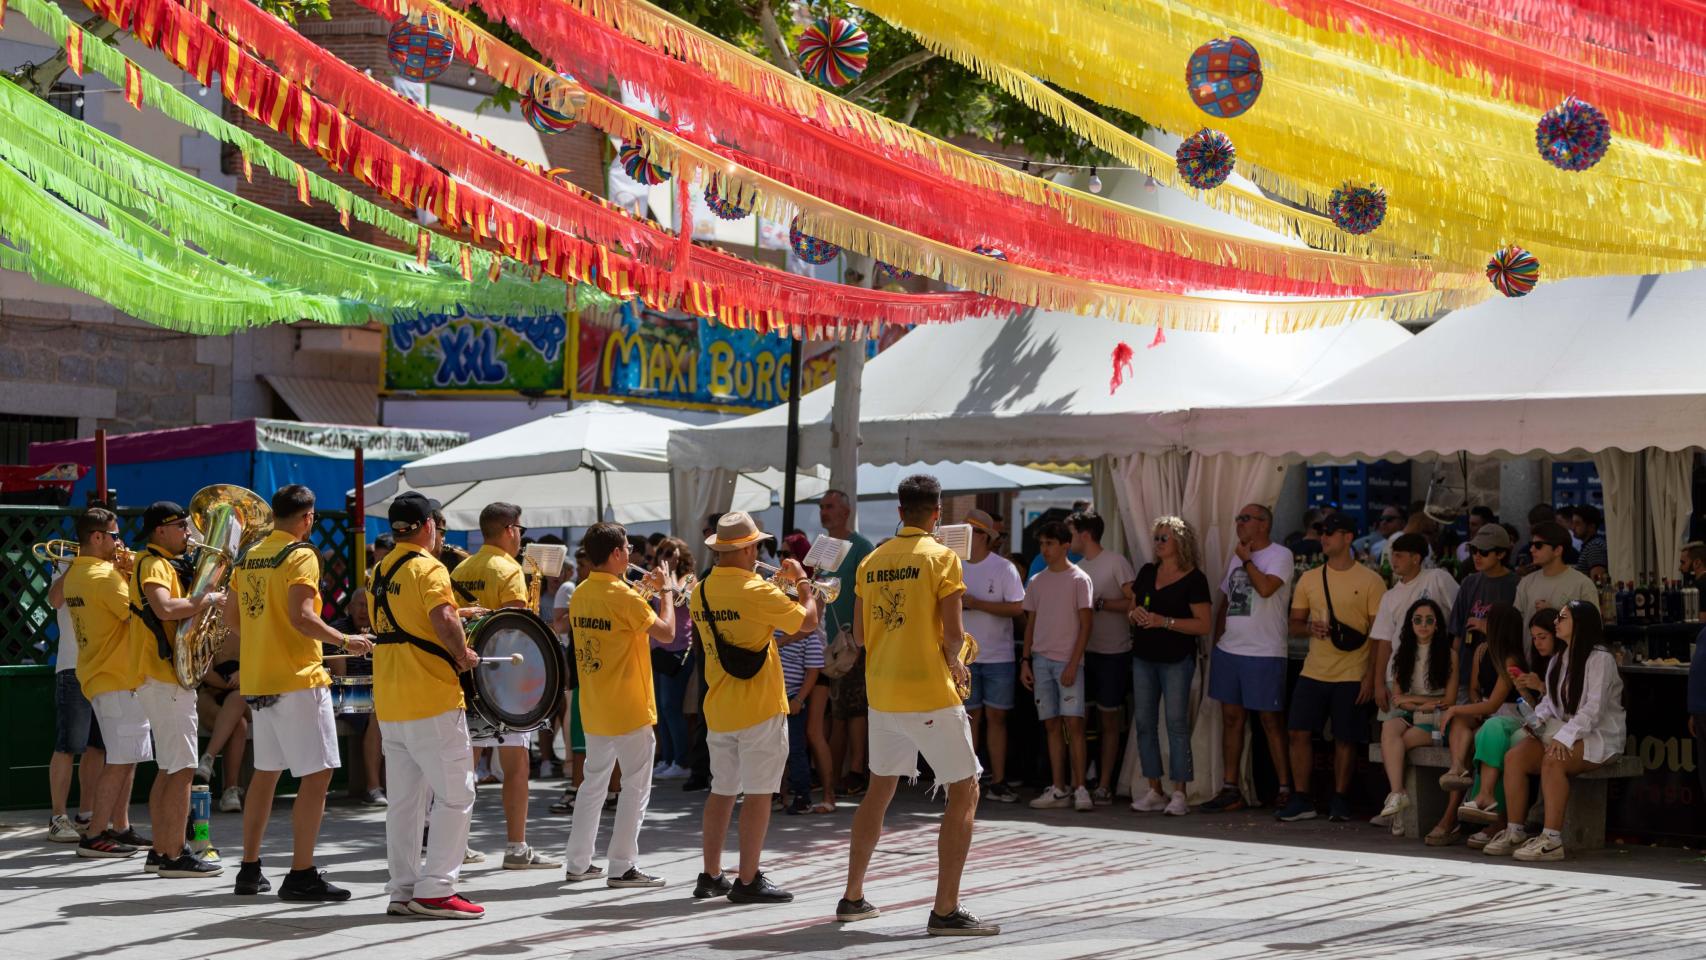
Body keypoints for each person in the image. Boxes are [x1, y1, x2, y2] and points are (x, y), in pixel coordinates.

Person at [839, 473, 997, 937]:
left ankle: (853, 896)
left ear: (899, 511)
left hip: (882, 693)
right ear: (937, 514)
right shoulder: (942, 557)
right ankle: (945, 909)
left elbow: (863, 636)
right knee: (965, 789)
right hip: (928, 691)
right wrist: (961, 656)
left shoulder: (871, 560)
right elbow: (952, 635)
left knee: (878, 789)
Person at [225, 485, 369, 898]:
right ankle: (301, 872)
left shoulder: (249, 556)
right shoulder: (301, 554)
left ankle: (249, 869)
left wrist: (265, 638)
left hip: (259, 679)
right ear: (307, 518)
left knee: (265, 774)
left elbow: (233, 618)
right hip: (298, 677)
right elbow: (303, 618)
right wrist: (345, 641)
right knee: (318, 775)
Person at [368, 491, 485, 920]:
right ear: (428, 526)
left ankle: (402, 889)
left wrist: (459, 613)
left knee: (404, 802)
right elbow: (440, 618)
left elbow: (407, 618)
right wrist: (462, 653)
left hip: (392, 700)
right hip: (431, 695)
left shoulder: (379, 570)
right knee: (456, 795)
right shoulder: (428, 567)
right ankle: (437, 888)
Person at [689, 512, 817, 904]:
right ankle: (747, 878)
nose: (759, 552)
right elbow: (806, 623)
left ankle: (711, 874)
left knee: (722, 791)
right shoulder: (757, 590)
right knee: (760, 794)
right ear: (746, 549)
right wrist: (802, 584)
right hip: (760, 706)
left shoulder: (701, 590)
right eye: (756, 546)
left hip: (720, 704)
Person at [562, 522, 678, 888]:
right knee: (635, 788)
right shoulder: (624, 596)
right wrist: (668, 593)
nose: (632, 555)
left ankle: (578, 862)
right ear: (615, 554)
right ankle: (622, 865)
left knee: (592, 785)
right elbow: (667, 633)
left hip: (595, 705)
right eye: (627, 548)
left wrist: (644, 592)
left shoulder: (580, 593)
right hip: (629, 706)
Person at [448, 502, 557, 871]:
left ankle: (457, 844)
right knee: (516, 767)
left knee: (467, 764)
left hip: (466, 677)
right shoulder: (509, 568)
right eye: (520, 530)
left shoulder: (462, 567)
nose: (521, 536)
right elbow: (517, 629)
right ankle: (516, 847)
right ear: (510, 529)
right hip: (505, 680)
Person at [1485, 600, 1627, 861]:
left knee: (1553, 761)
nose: (1556, 622)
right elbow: (1550, 702)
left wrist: (1564, 737)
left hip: (1599, 737)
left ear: (1580, 623)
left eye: (1562, 618)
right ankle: (1514, 831)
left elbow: (1593, 710)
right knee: (1514, 757)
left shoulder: (1601, 659)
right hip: (1564, 732)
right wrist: (1534, 722)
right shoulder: (1558, 658)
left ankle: (1551, 840)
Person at [129, 501, 226, 878]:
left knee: (170, 769)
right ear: (160, 531)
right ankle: (174, 855)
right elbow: (166, 608)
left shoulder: (160, 562)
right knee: (183, 770)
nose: (188, 532)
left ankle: (160, 850)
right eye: (181, 526)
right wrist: (209, 599)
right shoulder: (153, 564)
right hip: (164, 677)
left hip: (164, 677)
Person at [1279, 514, 1386, 822]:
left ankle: (1340, 799)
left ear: (1348, 537)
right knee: (1297, 731)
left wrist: (1370, 676)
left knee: (1345, 738)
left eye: (1330, 533)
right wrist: (1310, 627)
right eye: (1322, 532)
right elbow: (1294, 624)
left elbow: (1380, 636)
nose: (1323, 537)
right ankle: (1302, 798)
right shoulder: (1310, 578)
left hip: (1353, 673)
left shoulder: (1371, 580)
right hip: (1313, 670)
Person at [64, 507, 148, 859]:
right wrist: (134, 577)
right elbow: (141, 615)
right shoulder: (104, 576)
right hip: (118, 677)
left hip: (103, 675)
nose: (120, 543)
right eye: (115, 536)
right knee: (120, 760)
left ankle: (120, 826)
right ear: (97, 537)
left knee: (126, 757)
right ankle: (96, 833)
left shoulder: (77, 574)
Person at [1202, 504, 1294, 813]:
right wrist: (1217, 644)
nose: (1238, 523)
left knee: (1270, 720)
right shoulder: (1238, 555)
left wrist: (1247, 560)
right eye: (1237, 517)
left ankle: (1284, 787)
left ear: (1264, 524)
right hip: (1231, 649)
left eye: (1245, 518)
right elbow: (1226, 601)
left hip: (1264, 650)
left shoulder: (1280, 555)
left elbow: (1267, 589)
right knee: (1231, 719)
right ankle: (1231, 787)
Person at [1127, 517, 1213, 816]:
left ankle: (1180, 792)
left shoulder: (1194, 579)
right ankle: (1155, 789)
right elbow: (1134, 605)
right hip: (1143, 655)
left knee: (1177, 724)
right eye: (1156, 538)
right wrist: (1135, 613)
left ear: (1180, 542)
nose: (1158, 543)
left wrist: (1165, 622)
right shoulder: (1148, 572)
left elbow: (1204, 624)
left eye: (1165, 538)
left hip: (1177, 659)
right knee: (1144, 724)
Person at [1449, 607, 1552, 845]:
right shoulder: (1483, 651)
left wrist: (1536, 687)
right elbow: (1478, 690)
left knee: (1496, 734)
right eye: (1534, 637)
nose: (1536, 643)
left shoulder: (1513, 659)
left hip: (1526, 720)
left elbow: (1500, 703)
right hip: (1512, 718)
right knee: (1480, 730)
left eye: (1542, 637)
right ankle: (1462, 782)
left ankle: (1493, 811)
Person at [1021, 521, 1094, 812]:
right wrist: (1025, 661)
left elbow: (1087, 625)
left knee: (1074, 723)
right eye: (1042, 544)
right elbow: (1030, 625)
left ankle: (1081, 788)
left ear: (1065, 545)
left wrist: (1074, 663)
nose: (1045, 549)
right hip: (1041, 660)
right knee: (1050, 724)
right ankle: (1059, 787)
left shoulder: (1079, 579)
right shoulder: (1037, 581)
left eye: (1050, 543)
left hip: (1067, 660)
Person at [1068, 510, 1136, 805]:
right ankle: (1081, 780)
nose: (1067, 539)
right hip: (1084, 655)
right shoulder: (1075, 567)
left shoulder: (1116, 562)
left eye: (1071, 533)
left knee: (1110, 720)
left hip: (1114, 652)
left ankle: (1106, 783)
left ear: (1084, 534)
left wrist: (1101, 603)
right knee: (1080, 721)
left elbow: (1134, 602)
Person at [1375, 598, 1458, 833]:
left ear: (1437, 625)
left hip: (1437, 719)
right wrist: (1420, 704)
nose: (1423, 625)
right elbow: (1398, 699)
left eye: (1429, 620)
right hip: (1412, 715)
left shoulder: (1449, 654)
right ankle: (1398, 794)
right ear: (1410, 623)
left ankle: (1398, 805)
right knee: (1389, 729)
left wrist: (1417, 701)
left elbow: (1449, 701)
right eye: (1418, 620)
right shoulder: (1403, 652)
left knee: (1399, 745)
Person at [959, 509, 1025, 804]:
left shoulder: (1003, 568)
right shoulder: (955, 566)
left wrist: (977, 603)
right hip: (965, 657)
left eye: (972, 531)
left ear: (985, 537)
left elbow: (1017, 608)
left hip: (998, 655)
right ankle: (969, 780)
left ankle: (997, 781)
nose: (967, 536)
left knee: (997, 718)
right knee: (970, 718)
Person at [817, 490, 873, 800]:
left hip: (854, 639)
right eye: (822, 507)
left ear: (845, 512)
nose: (824, 512)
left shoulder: (861, 546)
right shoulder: (824, 546)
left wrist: (858, 637)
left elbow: (865, 593)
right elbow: (819, 592)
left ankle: (856, 771)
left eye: (830, 507)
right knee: (837, 711)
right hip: (830, 640)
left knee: (854, 709)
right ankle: (835, 772)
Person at [47, 559, 108, 842]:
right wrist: (76, 565)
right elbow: (55, 599)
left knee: (98, 746)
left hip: (106, 667)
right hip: (73, 665)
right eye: (111, 535)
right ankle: (58, 817)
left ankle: (87, 814)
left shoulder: (113, 565)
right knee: (68, 745)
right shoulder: (65, 561)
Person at [1369, 533, 1460, 715]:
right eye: (1393, 554)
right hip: (1397, 677)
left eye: (1399, 555)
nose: (1393, 560)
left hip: (1435, 676)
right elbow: (1385, 643)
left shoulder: (1437, 577)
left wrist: (1454, 655)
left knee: (1430, 733)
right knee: (1391, 733)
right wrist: (1378, 684)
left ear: (1416, 558)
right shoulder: (1389, 596)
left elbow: (1460, 618)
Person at [326, 588, 386, 806]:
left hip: (379, 693)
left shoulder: (382, 631)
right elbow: (339, 677)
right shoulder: (338, 631)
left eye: (367, 605)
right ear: (349, 607)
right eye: (359, 605)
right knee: (378, 715)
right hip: (346, 694)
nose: (363, 610)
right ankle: (373, 787)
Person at [650, 537, 695, 780]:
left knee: (671, 707)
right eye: (661, 552)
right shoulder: (658, 577)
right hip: (658, 648)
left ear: (681, 555)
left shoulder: (688, 578)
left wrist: (670, 575)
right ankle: (667, 758)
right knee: (660, 708)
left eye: (670, 551)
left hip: (678, 649)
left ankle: (681, 760)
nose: (665, 555)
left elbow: (681, 597)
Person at [193, 628, 249, 814]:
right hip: (211, 693)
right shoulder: (208, 629)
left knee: (239, 698)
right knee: (238, 724)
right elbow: (205, 673)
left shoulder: (252, 626)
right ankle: (229, 791)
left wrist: (244, 674)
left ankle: (207, 759)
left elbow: (266, 661)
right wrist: (229, 684)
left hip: (244, 695)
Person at [778, 617, 826, 815]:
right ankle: (775, 795)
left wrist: (798, 699)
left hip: (792, 700)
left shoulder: (809, 638)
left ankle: (802, 796)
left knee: (795, 749)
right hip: (769, 700)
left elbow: (813, 671)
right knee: (771, 751)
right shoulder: (772, 630)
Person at [1448, 525, 1519, 656]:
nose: (1477, 556)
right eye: (1474, 550)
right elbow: (1457, 634)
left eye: (1484, 552)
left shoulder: (1517, 585)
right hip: (1466, 665)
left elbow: (1518, 634)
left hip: (1498, 664)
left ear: (1501, 554)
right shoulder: (1468, 583)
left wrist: (1488, 627)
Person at [1513, 521, 1599, 624]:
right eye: (1531, 544)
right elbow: (1515, 623)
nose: (1532, 549)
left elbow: (1593, 625)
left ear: (1558, 550)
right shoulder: (1526, 583)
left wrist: (1556, 613)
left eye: (1538, 545)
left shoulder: (1582, 584)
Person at [1571, 505, 1608, 581]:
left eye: (1577, 523)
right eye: (1573, 523)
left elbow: (1598, 582)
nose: (1573, 528)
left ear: (1591, 526)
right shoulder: (1590, 545)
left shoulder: (1595, 547)